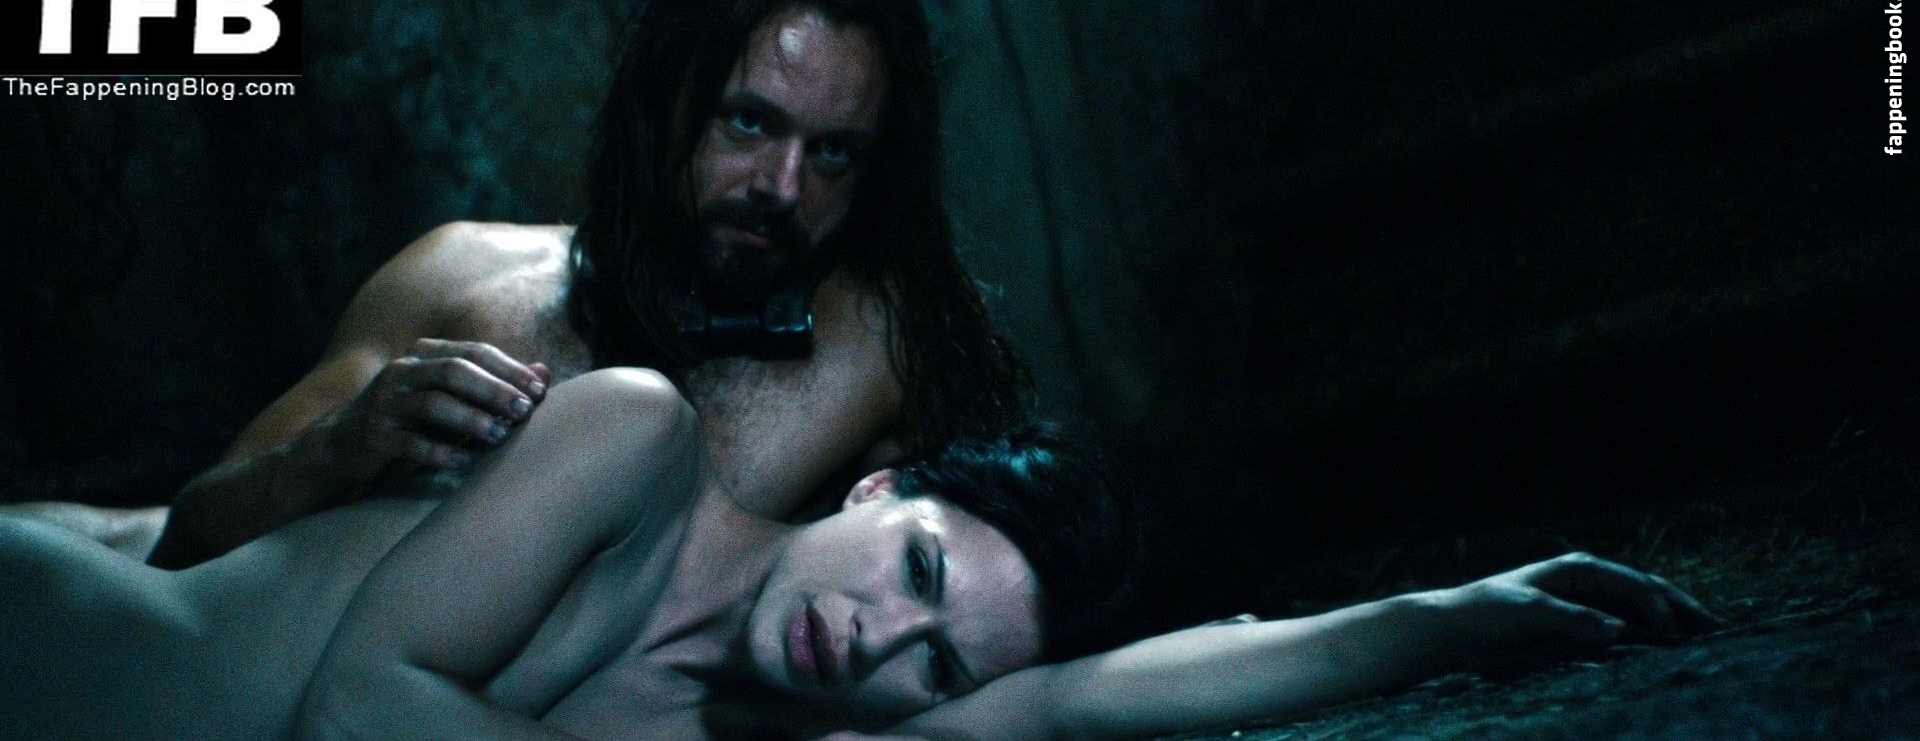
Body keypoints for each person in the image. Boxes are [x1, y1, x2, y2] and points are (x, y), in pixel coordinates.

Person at [0, 369, 1719, 741]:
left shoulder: (802, 721)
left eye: (937, 666)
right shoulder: (635, 441)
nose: (883, 644)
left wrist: (1438, 620)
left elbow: (1070, 710)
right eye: (916, 576)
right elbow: (360, 712)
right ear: (878, 487)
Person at [85, 0, 1028, 567]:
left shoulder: (884, 348)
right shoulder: (461, 277)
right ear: (661, 105)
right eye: (747, 122)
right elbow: (188, 542)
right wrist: (343, 446)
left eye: (832, 154)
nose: (784, 187)